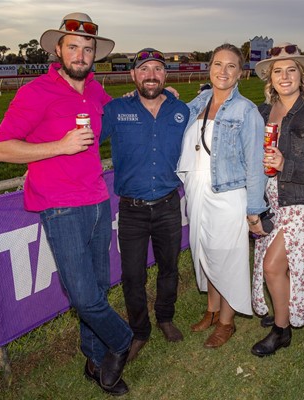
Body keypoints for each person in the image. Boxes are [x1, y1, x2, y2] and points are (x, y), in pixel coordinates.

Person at [0, 12, 132, 396]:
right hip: (60, 207)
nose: (81, 54)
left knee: (98, 290)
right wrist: (60, 147)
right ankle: (122, 342)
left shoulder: (95, 92)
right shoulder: (35, 92)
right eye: (74, 47)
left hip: (99, 202)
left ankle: (93, 359)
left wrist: (155, 95)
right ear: (59, 49)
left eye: (88, 49)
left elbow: (119, 112)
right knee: (84, 297)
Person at [100, 48, 190, 362]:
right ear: (133, 75)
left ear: (166, 76)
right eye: (144, 70)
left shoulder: (182, 111)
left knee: (169, 268)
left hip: (168, 205)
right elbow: (84, 142)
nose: (151, 75)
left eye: (157, 69)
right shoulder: (116, 109)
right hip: (132, 211)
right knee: (133, 275)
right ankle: (139, 331)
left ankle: (165, 317)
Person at [250, 43, 304, 357]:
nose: (284, 76)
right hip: (270, 199)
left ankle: (281, 331)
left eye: (291, 71)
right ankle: (280, 310)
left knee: (273, 267)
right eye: (278, 71)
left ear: (302, 78)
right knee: (270, 263)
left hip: (302, 201)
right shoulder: (261, 112)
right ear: (270, 78)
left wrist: (287, 164)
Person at [177, 43, 268, 348]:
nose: (223, 71)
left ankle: (227, 323)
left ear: (241, 73)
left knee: (228, 257)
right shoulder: (199, 101)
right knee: (204, 252)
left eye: (231, 66)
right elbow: (171, 119)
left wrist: (254, 210)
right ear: (210, 67)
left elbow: (255, 163)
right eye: (218, 64)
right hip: (196, 189)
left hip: (229, 194)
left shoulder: (246, 111)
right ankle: (213, 310)